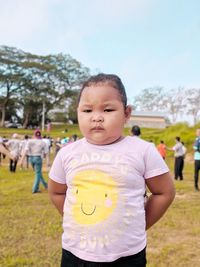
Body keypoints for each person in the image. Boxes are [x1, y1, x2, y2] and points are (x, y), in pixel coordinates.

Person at [48, 73, 175, 267]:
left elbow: (164, 192)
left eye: (107, 109)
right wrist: (80, 220)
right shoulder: (67, 153)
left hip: (127, 257)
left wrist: (140, 225)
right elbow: (57, 191)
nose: (97, 117)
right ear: (78, 112)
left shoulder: (142, 150)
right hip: (75, 255)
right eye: (87, 110)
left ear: (126, 113)